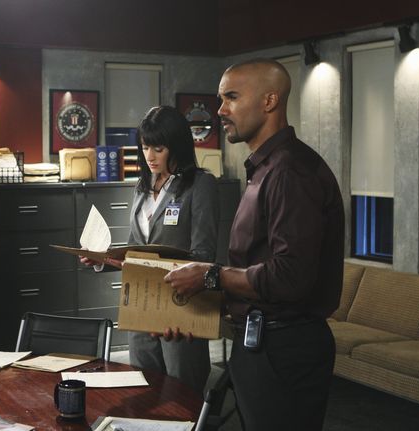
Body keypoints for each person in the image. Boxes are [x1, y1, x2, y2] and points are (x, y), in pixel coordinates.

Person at [164, 59, 345, 430]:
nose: (220, 110)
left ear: (269, 101)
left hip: (285, 349)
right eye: (221, 99)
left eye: (231, 97)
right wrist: (189, 312)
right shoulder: (266, 168)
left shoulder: (290, 171)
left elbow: (289, 276)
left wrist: (211, 275)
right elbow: (257, 272)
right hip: (259, 340)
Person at [82, 105, 220, 393]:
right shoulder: (143, 185)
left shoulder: (200, 185)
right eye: (145, 147)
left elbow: (204, 256)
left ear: (177, 146)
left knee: (183, 392)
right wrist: (102, 259)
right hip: (141, 304)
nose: (150, 156)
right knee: (143, 388)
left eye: (158, 148)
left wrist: (151, 266)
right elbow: (136, 249)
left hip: (180, 305)